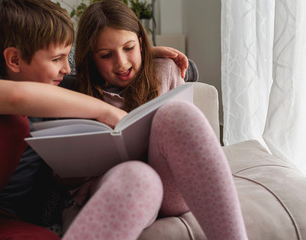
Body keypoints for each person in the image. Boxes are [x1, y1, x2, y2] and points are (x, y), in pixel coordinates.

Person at [0, 0, 189, 239]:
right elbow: (16, 96)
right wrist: (106, 112)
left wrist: (145, 54)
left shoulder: (63, 90)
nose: (66, 68)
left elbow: (100, 75)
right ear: (14, 60)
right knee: (8, 123)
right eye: (56, 59)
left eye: (67, 58)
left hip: (2, 218)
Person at [67, 0, 249, 239]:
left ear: (141, 42)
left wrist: (149, 54)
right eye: (106, 55)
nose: (121, 62)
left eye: (129, 48)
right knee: (139, 176)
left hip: (171, 184)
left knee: (177, 114)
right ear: (90, 57)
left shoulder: (163, 70)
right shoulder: (76, 91)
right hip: (121, 185)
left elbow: (188, 72)